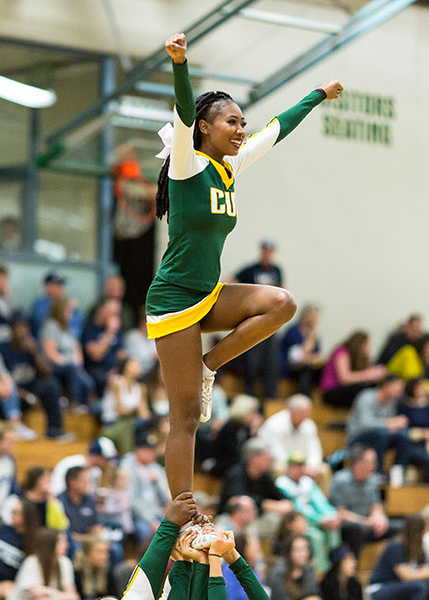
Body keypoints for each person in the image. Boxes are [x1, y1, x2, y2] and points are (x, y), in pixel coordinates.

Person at [146, 32, 342, 509]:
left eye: (241, 123)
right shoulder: (186, 166)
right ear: (204, 129)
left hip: (208, 294)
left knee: (282, 303)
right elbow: (183, 108)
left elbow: (276, 130)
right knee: (186, 414)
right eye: (231, 122)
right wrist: (180, 64)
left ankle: (210, 365)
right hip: (173, 300)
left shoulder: (230, 168)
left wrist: (317, 95)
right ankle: (183, 510)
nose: (240, 130)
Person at [0, 318, 68, 439]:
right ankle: (12, 428)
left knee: (52, 384)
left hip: (31, 389)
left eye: (25, 335)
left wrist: (35, 353)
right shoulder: (2, 350)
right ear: (12, 334)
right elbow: (2, 380)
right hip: (13, 393)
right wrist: (28, 397)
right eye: (19, 335)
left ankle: (55, 430)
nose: (23, 338)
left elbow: (48, 372)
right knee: (7, 393)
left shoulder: (32, 348)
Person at [233, 238, 284, 400]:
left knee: (271, 363)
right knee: (252, 363)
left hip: (270, 323)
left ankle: (271, 400)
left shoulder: (277, 270)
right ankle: (249, 397)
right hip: (254, 321)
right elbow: (230, 281)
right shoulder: (250, 270)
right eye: (264, 250)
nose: (266, 253)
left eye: (270, 250)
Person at [276, 451, 340, 574]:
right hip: (298, 522)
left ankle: (335, 570)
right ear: (289, 467)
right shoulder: (282, 483)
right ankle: (320, 573)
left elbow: (320, 501)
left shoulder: (307, 482)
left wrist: (331, 516)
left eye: (302, 466)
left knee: (333, 530)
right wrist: (320, 520)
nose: (299, 469)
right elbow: (295, 507)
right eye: (296, 466)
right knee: (316, 537)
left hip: (318, 519)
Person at [329, 445, 398, 557]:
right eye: (371, 462)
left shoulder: (372, 480)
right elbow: (340, 512)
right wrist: (365, 521)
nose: (374, 466)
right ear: (358, 463)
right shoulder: (341, 480)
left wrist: (379, 518)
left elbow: (376, 507)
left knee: (399, 527)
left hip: (368, 524)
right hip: (348, 525)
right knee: (357, 530)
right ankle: (353, 569)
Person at [368, 514, 429, 600]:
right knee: (420, 586)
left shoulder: (418, 547)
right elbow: (406, 576)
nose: (425, 533)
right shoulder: (395, 545)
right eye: (424, 530)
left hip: (402, 585)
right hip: (381, 586)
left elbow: (425, 568)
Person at [217, 438, 292, 538]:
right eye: (266, 457)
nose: (270, 460)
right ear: (253, 459)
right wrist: (267, 504)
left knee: (284, 522)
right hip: (231, 519)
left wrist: (286, 503)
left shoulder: (264, 476)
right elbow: (240, 500)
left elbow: (279, 495)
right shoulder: (235, 474)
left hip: (255, 518)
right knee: (250, 530)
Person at [258, 394, 328, 485]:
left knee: (324, 470)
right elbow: (276, 453)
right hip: (282, 463)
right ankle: (283, 498)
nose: (306, 417)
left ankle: (320, 499)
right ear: (291, 411)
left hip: (303, 464)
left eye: (308, 413)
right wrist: (295, 466)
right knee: (279, 469)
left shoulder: (309, 425)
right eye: (302, 413)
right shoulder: (274, 425)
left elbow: (314, 450)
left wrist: (311, 466)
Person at [40, 297, 95, 409]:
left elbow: (76, 348)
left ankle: (85, 408)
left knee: (88, 382)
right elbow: (50, 353)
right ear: (60, 310)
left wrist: (78, 362)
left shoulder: (67, 328)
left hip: (72, 365)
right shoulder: (51, 325)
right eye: (68, 311)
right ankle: (75, 403)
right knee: (72, 369)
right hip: (55, 365)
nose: (70, 315)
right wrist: (68, 362)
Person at [346, 375, 409, 474]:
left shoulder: (391, 402)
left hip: (380, 437)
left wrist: (397, 426)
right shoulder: (366, 396)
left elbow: (390, 426)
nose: (400, 391)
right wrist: (389, 423)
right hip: (358, 437)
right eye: (398, 387)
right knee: (381, 433)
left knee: (403, 435)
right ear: (386, 385)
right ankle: (377, 474)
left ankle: (398, 473)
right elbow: (364, 423)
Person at [119, 431, 171, 543]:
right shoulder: (127, 466)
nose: (151, 454)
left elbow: (165, 499)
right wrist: (151, 521)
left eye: (153, 450)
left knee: (174, 529)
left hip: (156, 514)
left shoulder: (156, 468)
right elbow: (131, 500)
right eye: (147, 450)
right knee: (145, 533)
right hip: (136, 516)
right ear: (137, 450)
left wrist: (156, 482)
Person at [9, 527, 79, 600]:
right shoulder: (32, 562)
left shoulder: (65, 562)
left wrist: (47, 591)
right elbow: (37, 598)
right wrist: (64, 596)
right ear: (49, 544)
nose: (67, 545)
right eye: (61, 542)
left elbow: (73, 596)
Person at [320, 331, 386, 408]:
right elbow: (344, 379)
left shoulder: (358, 357)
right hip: (331, 391)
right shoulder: (342, 353)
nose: (368, 348)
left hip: (345, 390)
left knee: (374, 387)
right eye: (366, 345)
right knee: (364, 391)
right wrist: (369, 374)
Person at [387, 333, 429, 405]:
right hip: (394, 388)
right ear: (423, 348)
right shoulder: (409, 353)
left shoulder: (422, 363)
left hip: (404, 390)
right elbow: (413, 382)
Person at [99, 357, 150, 454]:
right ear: (125, 367)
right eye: (134, 366)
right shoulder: (116, 382)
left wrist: (139, 412)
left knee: (145, 424)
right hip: (112, 422)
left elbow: (144, 413)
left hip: (130, 421)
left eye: (138, 366)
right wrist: (136, 410)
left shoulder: (140, 387)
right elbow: (120, 411)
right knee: (128, 425)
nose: (137, 368)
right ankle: (128, 454)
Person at [207, 394, 262, 477]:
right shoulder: (229, 427)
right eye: (253, 412)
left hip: (235, 464)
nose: (255, 416)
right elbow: (232, 452)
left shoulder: (246, 429)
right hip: (222, 463)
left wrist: (253, 433)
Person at [82, 298, 125, 395]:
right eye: (111, 313)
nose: (114, 317)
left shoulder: (117, 331)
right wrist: (109, 332)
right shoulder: (90, 328)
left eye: (116, 314)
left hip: (113, 370)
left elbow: (120, 353)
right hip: (96, 369)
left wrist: (116, 369)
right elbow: (96, 355)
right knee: (102, 378)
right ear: (101, 310)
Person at [51, 436, 117, 496]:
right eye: (106, 459)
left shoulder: (96, 471)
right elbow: (57, 492)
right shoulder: (69, 464)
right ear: (96, 456)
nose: (108, 463)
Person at [280, 304, 323, 396]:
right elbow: (298, 356)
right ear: (305, 315)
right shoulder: (293, 331)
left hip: (307, 366)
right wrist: (313, 334)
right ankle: (303, 396)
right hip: (290, 368)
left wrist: (309, 358)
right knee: (306, 369)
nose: (315, 320)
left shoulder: (314, 335)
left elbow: (317, 356)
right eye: (313, 316)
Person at [30, 272, 83, 340]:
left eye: (61, 284)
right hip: (48, 345)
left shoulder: (67, 303)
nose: (60, 288)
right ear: (47, 286)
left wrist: (71, 308)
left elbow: (79, 321)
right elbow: (46, 324)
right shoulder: (39, 305)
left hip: (70, 344)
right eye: (56, 285)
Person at [267, 534, 321, 600]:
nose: (305, 554)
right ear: (289, 552)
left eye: (306, 549)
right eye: (299, 550)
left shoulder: (307, 569)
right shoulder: (277, 573)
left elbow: (313, 593)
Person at [58, 466, 102, 544]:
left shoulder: (90, 500)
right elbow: (63, 532)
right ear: (72, 482)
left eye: (89, 481)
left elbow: (96, 527)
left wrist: (86, 537)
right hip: (69, 542)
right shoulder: (59, 501)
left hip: (89, 541)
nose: (88, 484)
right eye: (84, 481)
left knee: (114, 549)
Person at [72, 535, 117, 600]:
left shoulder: (108, 569)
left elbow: (113, 595)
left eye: (106, 552)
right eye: (99, 552)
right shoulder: (77, 571)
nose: (103, 556)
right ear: (87, 553)